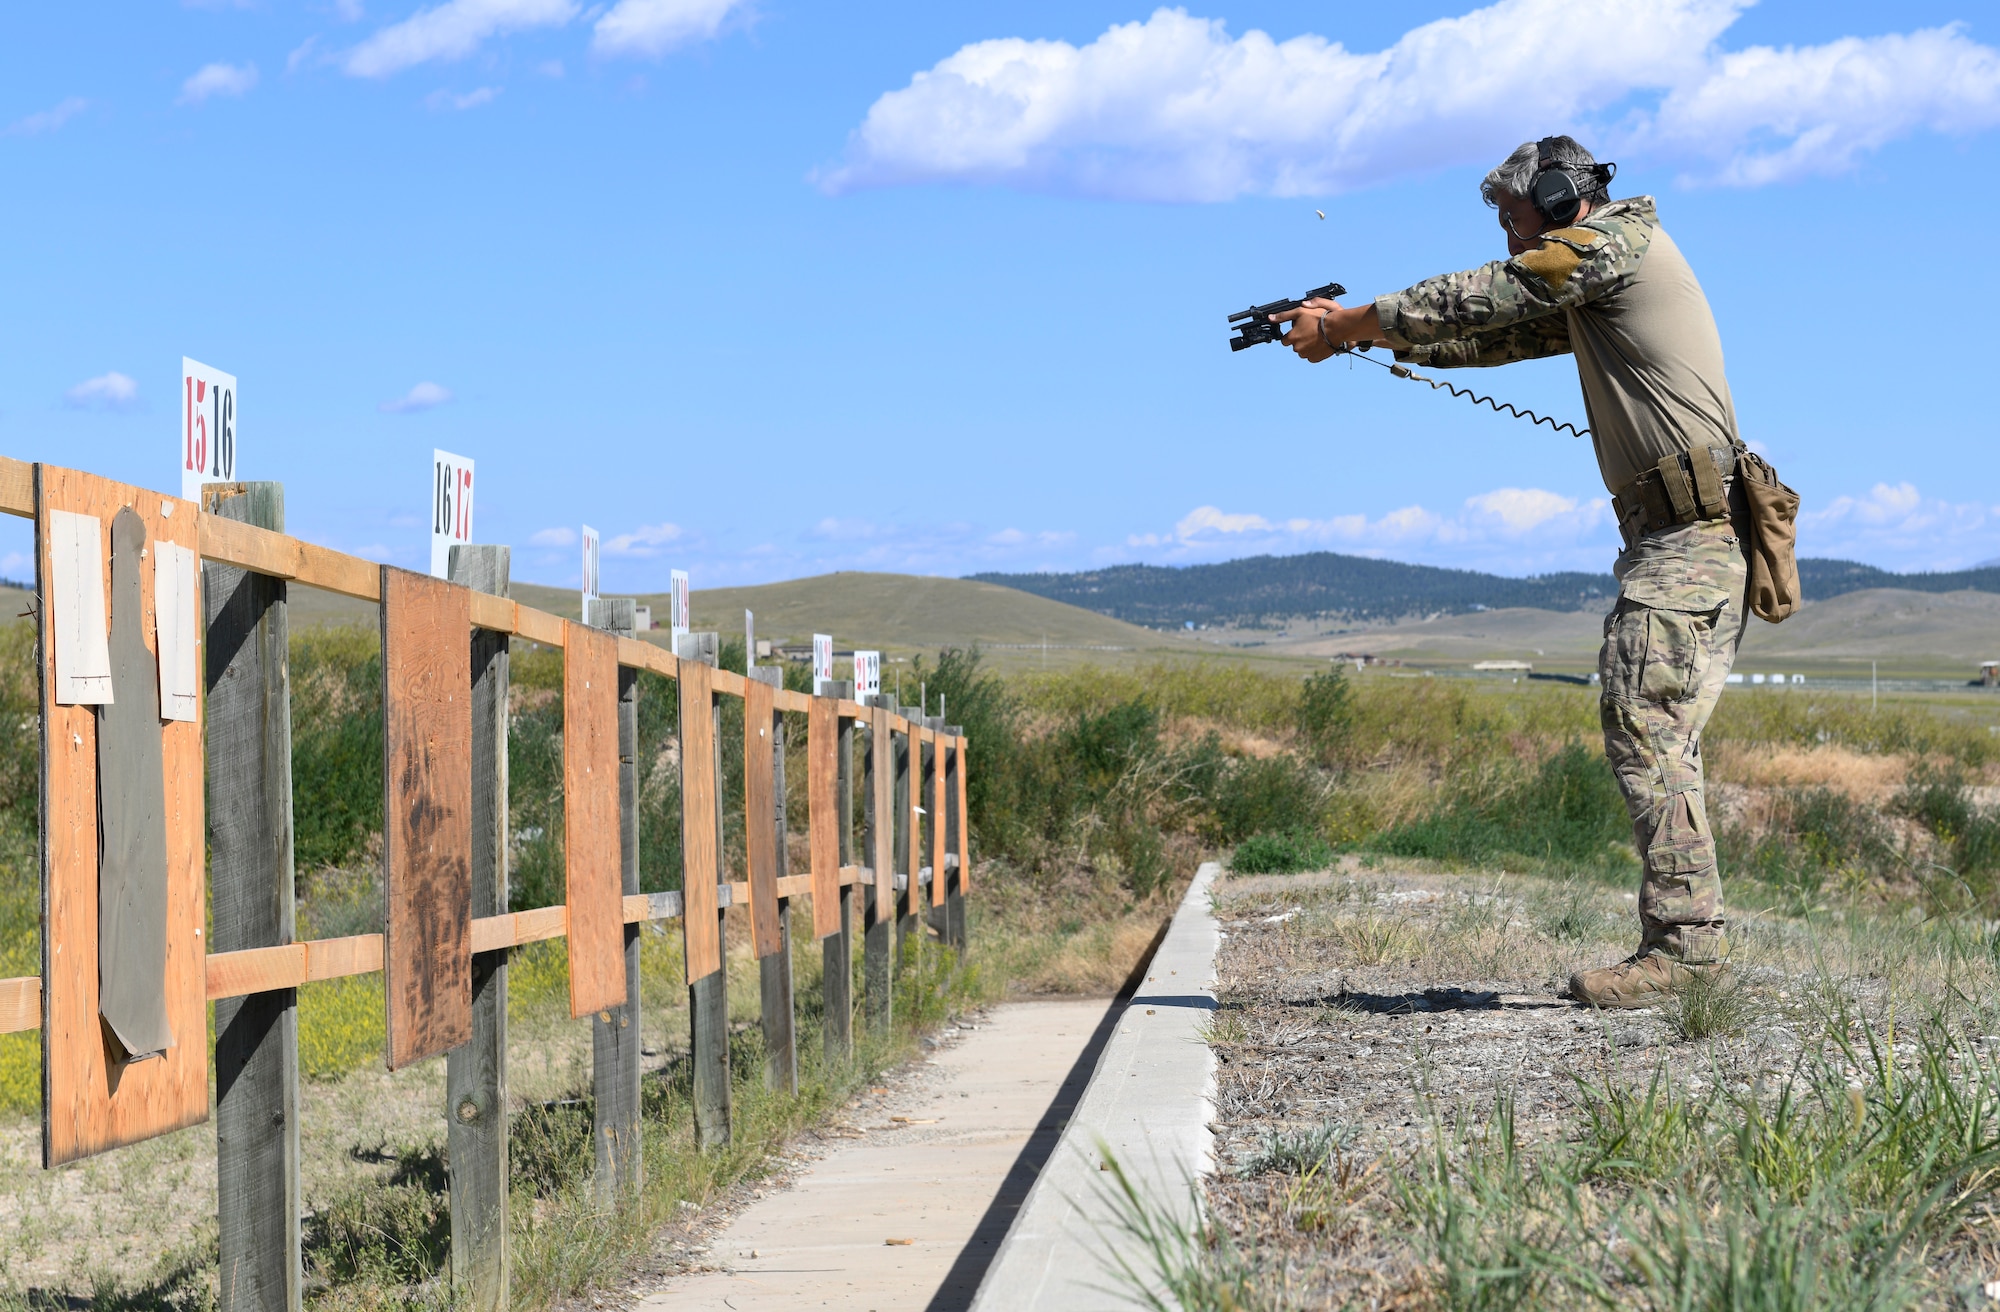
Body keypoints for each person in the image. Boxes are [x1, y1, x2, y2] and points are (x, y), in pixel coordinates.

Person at [1273, 136, 1745, 1009]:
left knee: (1644, 723)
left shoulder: (1614, 247)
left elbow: (1498, 292)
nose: (1508, 239)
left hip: (1687, 539)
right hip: (1674, 536)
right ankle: (1688, 948)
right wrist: (1360, 342)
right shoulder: (1596, 268)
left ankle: (1685, 955)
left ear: (1565, 200)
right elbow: (1495, 332)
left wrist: (1352, 321)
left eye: (1513, 219)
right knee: (1653, 729)